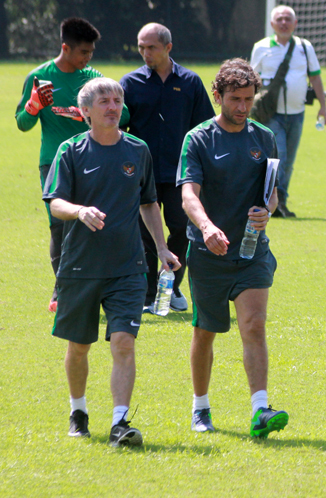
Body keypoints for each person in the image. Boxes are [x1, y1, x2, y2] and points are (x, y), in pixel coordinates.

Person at [42, 77, 179, 447]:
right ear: (85, 111)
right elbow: (54, 201)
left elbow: (150, 203)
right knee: (79, 346)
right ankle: (78, 410)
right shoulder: (70, 151)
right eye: (103, 101)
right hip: (80, 267)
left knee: (123, 342)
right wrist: (80, 210)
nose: (112, 107)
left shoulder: (138, 150)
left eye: (117, 100)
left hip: (128, 267)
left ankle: (120, 422)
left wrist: (162, 249)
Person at [178, 58, 287, 438]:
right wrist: (206, 226)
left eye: (248, 99)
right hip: (209, 253)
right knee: (205, 332)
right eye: (235, 99)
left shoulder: (264, 137)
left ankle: (260, 410)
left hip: (252, 250)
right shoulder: (198, 139)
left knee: (254, 325)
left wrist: (266, 211)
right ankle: (200, 407)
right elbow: (188, 194)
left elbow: (270, 192)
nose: (242, 107)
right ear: (218, 96)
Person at [16, 17, 129, 313]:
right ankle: (63, 288)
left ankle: (96, 288)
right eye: (83, 53)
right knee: (60, 227)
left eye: (91, 53)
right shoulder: (39, 77)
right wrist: (34, 106)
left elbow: (124, 115)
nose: (88, 58)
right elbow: (22, 124)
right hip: (53, 162)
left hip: (92, 160)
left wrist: (92, 115)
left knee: (91, 224)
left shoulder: (92, 79)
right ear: (65, 48)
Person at [120, 23, 215, 314]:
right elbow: (116, 127)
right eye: (141, 47)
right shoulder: (129, 83)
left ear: (168, 48)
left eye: (152, 47)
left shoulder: (190, 82)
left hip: (181, 173)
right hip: (140, 174)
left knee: (182, 230)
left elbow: (205, 128)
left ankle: (171, 286)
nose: (145, 53)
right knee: (145, 234)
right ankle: (149, 295)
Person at [250, 5, 326, 218]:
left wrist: (323, 106)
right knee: (280, 155)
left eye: (288, 19)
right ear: (272, 24)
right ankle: (272, 200)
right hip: (270, 114)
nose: (284, 23)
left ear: (295, 24)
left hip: (297, 113)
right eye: (280, 19)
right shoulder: (261, 47)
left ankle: (280, 200)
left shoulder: (305, 47)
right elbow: (250, 77)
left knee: (289, 160)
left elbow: (315, 77)